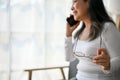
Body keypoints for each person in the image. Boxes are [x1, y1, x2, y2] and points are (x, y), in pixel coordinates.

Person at [65, 0, 120, 80]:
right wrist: (68, 35)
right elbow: (69, 58)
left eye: (75, 1)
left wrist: (108, 65)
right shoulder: (80, 32)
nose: (71, 7)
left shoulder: (107, 28)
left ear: (89, 2)